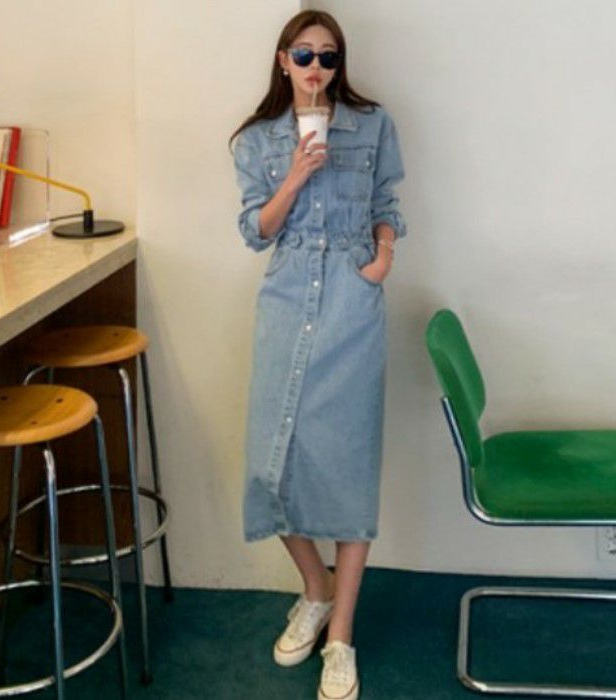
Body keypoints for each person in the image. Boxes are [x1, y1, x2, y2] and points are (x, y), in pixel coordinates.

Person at [230, 9, 406, 700]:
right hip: (286, 298)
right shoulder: (257, 139)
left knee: (349, 462)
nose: (315, 68)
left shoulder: (372, 124)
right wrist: (297, 174)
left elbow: (388, 200)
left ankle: (341, 636)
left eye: (328, 57)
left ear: (339, 64)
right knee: (267, 461)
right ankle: (316, 587)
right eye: (303, 55)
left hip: (352, 304)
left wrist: (382, 257)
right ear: (283, 60)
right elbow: (255, 230)